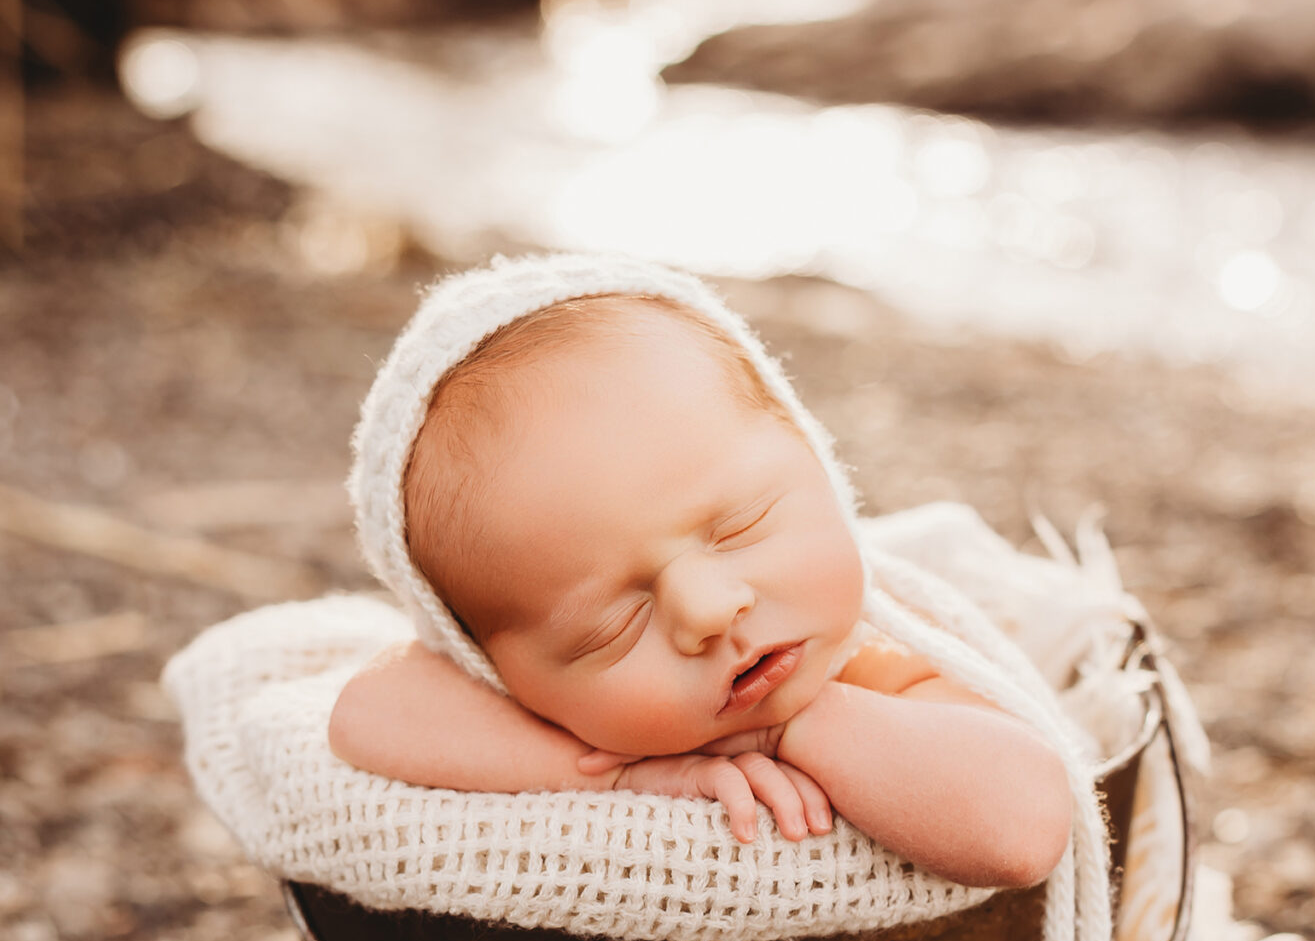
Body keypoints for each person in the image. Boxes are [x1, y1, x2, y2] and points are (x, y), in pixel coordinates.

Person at [329, 288, 1074, 890]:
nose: (710, 611)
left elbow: (1020, 830)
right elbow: (363, 714)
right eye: (610, 626)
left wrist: (790, 728)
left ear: (818, 465)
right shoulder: (559, 715)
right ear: (500, 674)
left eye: (739, 527)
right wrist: (622, 773)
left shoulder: (881, 650)